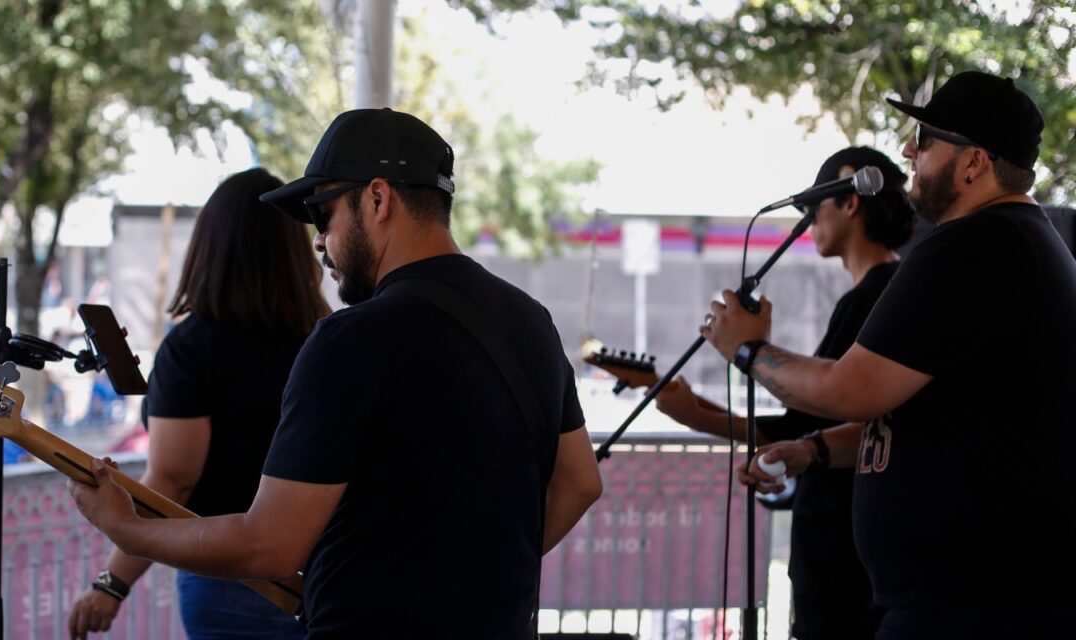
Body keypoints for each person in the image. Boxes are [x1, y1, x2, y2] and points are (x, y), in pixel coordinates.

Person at [69, 108, 603, 638]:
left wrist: (126, 529)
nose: (319, 241)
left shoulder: (352, 340)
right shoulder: (530, 320)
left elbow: (271, 545)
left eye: (322, 214)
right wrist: (476, 578)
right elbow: (580, 483)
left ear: (377, 198)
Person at [702, 71, 1076, 638]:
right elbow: (925, 416)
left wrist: (747, 349)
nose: (907, 150)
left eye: (925, 140)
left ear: (973, 163)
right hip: (982, 599)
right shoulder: (1016, 242)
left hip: (974, 608)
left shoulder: (972, 246)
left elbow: (854, 389)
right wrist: (815, 450)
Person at [655, 146, 913, 640]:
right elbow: (806, 422)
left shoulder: (875, 297)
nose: (808, 222)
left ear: (850, 201)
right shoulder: (879, 292)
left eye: (813, 209)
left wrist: (736, 368)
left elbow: (806, 422)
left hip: (845, 557)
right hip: (846, 548)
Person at [67, 168, 330, 639]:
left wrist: (112, 584)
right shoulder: (327, 340)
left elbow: (173, 480)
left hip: (231, 580)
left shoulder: (192, 349)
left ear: (210, 245)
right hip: (327, 577)